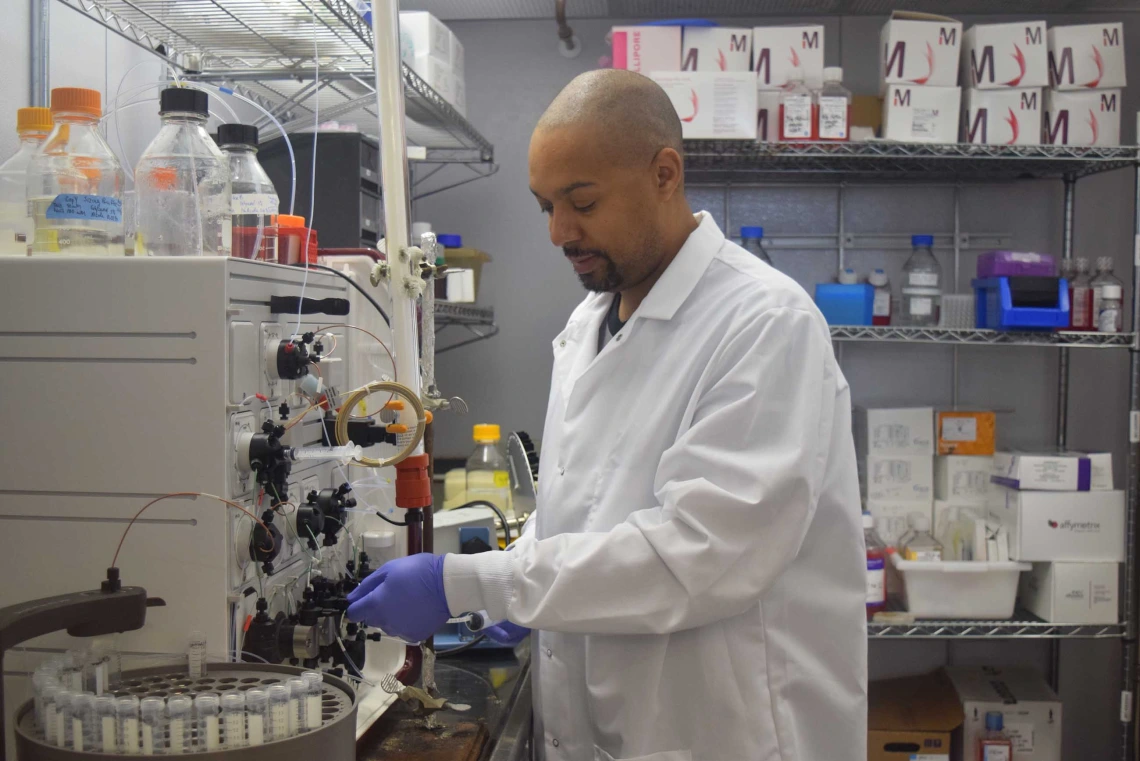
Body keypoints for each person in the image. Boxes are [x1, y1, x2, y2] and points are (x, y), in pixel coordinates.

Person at [347, 69, 867, 761]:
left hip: (725, 735)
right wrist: (505, 580)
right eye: (545, 207)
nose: (561, 231)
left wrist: (475, 584)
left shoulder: (764, 323)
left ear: (665, 173)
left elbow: (695, 556)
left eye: (582, 201)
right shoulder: (590, 321)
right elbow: (585, 519)